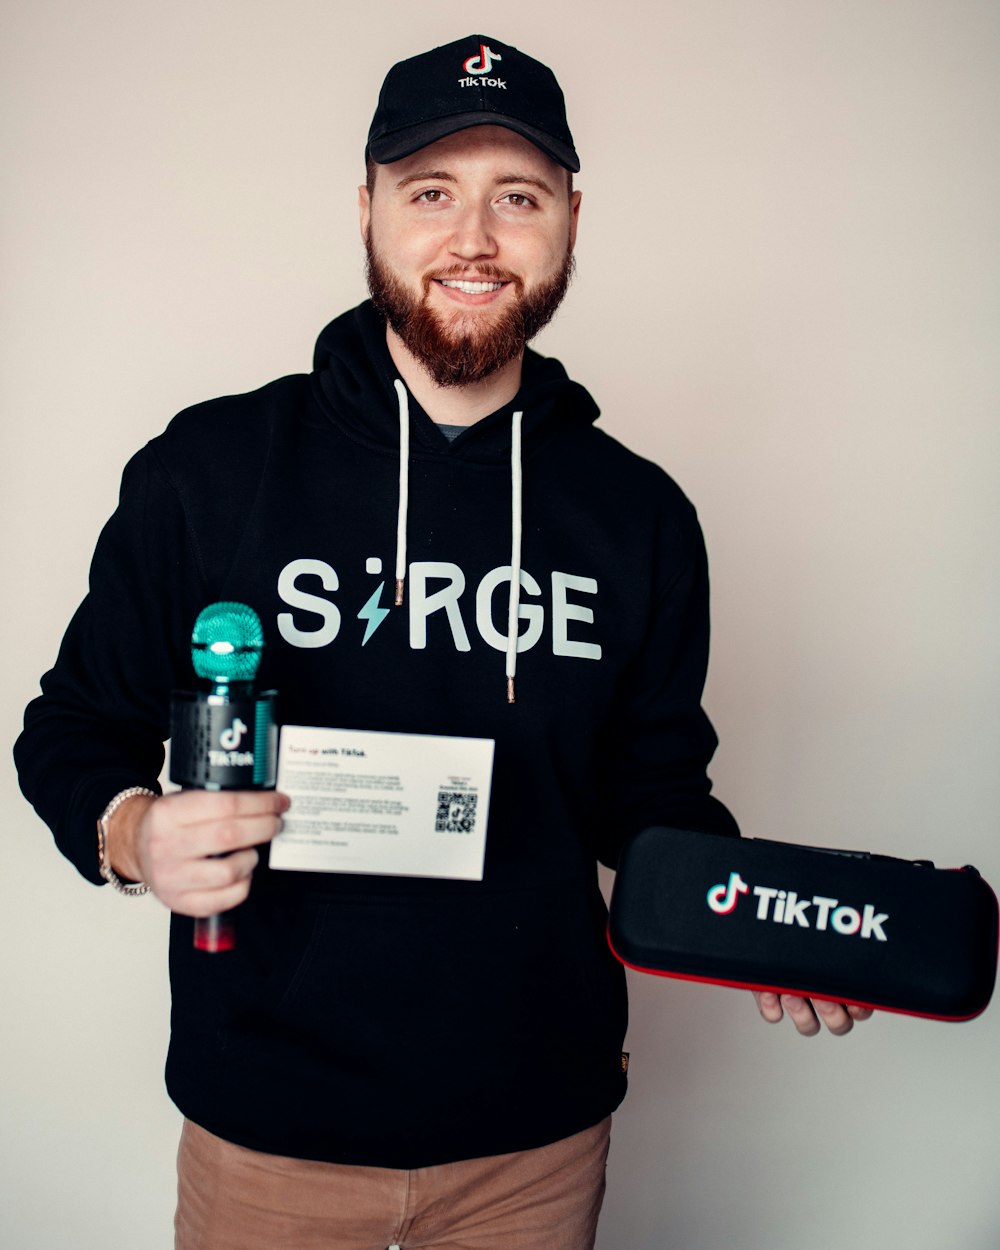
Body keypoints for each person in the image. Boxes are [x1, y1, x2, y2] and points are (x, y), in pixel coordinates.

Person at [15, 33, 869, 1250]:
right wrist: (133, 832)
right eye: (431, 192)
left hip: (535, 1138)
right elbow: (72, 725)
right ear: (365, 208)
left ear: (571, 216)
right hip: (269, 1130)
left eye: (516, 197)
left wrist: (763, 920)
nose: (474, 238)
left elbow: (654, 791)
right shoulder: (207, 471)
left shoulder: (639, 515)